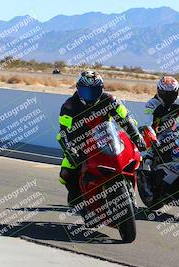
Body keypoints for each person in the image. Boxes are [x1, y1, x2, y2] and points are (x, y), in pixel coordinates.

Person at [56, 70, 146, 207]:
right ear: (78, 89)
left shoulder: (110, 100)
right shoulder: (69, 105)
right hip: (79, 145)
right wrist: (69, 149)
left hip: (106, 140)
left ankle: (129, 192)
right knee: (65, 173)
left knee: (135, 158)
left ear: (102, 89)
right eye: (87, 91)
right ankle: (78, 200)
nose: (91, 95)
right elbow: (63, 132)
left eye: (95, 91)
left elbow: (125, 119)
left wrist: (136, 136)